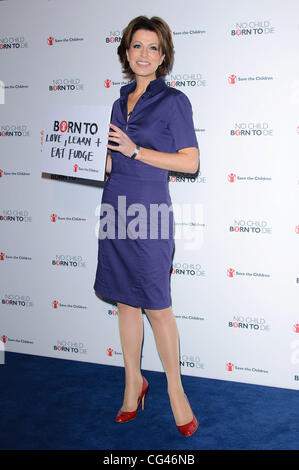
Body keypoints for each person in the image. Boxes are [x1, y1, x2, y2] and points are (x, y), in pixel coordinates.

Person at [94, 15, 199, 437]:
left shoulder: (174, 101)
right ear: (125, 52)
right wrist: (80, 161)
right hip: (114, 207)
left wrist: (138, 151)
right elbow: (109, 161)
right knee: (124, 302)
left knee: (157, 306)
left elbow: (190, 162)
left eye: (152, 47)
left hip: (150, 210)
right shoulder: (118, 104)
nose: (143, 54)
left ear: (163, 55)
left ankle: (175, 390)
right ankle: (133, 383)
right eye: (136, 46)